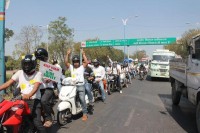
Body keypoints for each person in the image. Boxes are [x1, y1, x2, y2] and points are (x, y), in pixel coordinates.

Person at [0, 54, 46, 133]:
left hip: (33, 100)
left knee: (37, 122)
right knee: (9, 114)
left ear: (33, 64)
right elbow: (8, 83)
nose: (27, 66)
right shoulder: (20, 72)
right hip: (20, 99)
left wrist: (29, 95)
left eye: (29, 64)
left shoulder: (38, 74)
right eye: (25, 64)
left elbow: (36, 87)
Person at [65, 49, 88, 121]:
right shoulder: (71, 67)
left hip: (81, 86)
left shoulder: (82, 67)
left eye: (77, 62)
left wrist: (83, 54)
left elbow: (86, 62)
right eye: (74, 62)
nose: (76, 63)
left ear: (79, 62)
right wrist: (67, 54)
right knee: (68, 97)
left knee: (82, 99)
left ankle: (84, 114)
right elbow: (66, 62)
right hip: (72, 86)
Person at [34, 48, 54, 127]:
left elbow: (54, 77)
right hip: (37, 89)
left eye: (40, 58)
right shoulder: (33, 65)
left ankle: (48, 119)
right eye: (38, 58)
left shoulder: (49, 66)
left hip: (48, 88)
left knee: (43, 100)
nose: (39, 60)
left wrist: (50, 79)